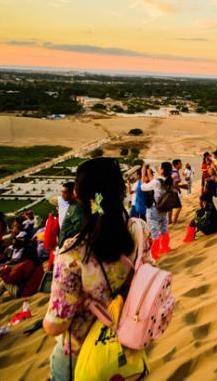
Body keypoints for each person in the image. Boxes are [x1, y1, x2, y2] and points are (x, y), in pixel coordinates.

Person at [43, 158, 150, 381]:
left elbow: (56, 324)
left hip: (82, 356)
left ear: (79, 197)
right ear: (121, 190)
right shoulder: (140, 231)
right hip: (129, 344)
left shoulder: (73, 252)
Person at [0, 237, 43, 305]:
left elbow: (10, 279)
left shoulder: (24, 265)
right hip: (36, 287)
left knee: (3, 283)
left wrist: (3, 270)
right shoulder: (38, 262)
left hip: (26, 291)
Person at [138, 162, 171, 259]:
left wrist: (143, 173)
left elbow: (143, 187)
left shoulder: (157, 182)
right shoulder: (168, 181)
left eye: (160, 167)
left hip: (154, 210)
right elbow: (157, 185)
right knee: (164, 228)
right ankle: (165, 247)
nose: (158, 169)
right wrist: (149, 174)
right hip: (163, 209)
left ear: (163, 170)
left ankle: (155, 253)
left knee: (154, 232)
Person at [57, 182, 82, 247]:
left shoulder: (76, 207)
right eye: (61, 192)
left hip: (69, 246)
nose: (62, 194)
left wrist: (66, 236)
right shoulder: (72, 205)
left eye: (64, 192)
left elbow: (78, 227)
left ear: (73, 193)